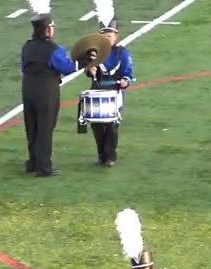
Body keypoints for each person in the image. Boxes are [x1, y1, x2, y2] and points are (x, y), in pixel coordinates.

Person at [21, 0, 81, 177]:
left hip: (28, 87)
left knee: (31, 126)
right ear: (47, 29)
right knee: (45, 127)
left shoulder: (27, 46)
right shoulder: (54, 49)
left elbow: (23, 67)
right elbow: (67, 67)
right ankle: (44, 167)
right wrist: (83, 61)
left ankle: (32, 162)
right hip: (46, 90)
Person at [84, 9, 134, 166]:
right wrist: (89, 69)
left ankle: (110, 156)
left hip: (115, 92)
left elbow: (128, 74)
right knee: (97, 125)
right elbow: (88, 71)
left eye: (110, 36)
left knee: (112, 125)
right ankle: (101, 155)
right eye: (104, 37)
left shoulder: (122, 53)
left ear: (115, 37)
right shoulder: (94, 53)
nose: (107, 39)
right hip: (97, 91)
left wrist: (125, 81)